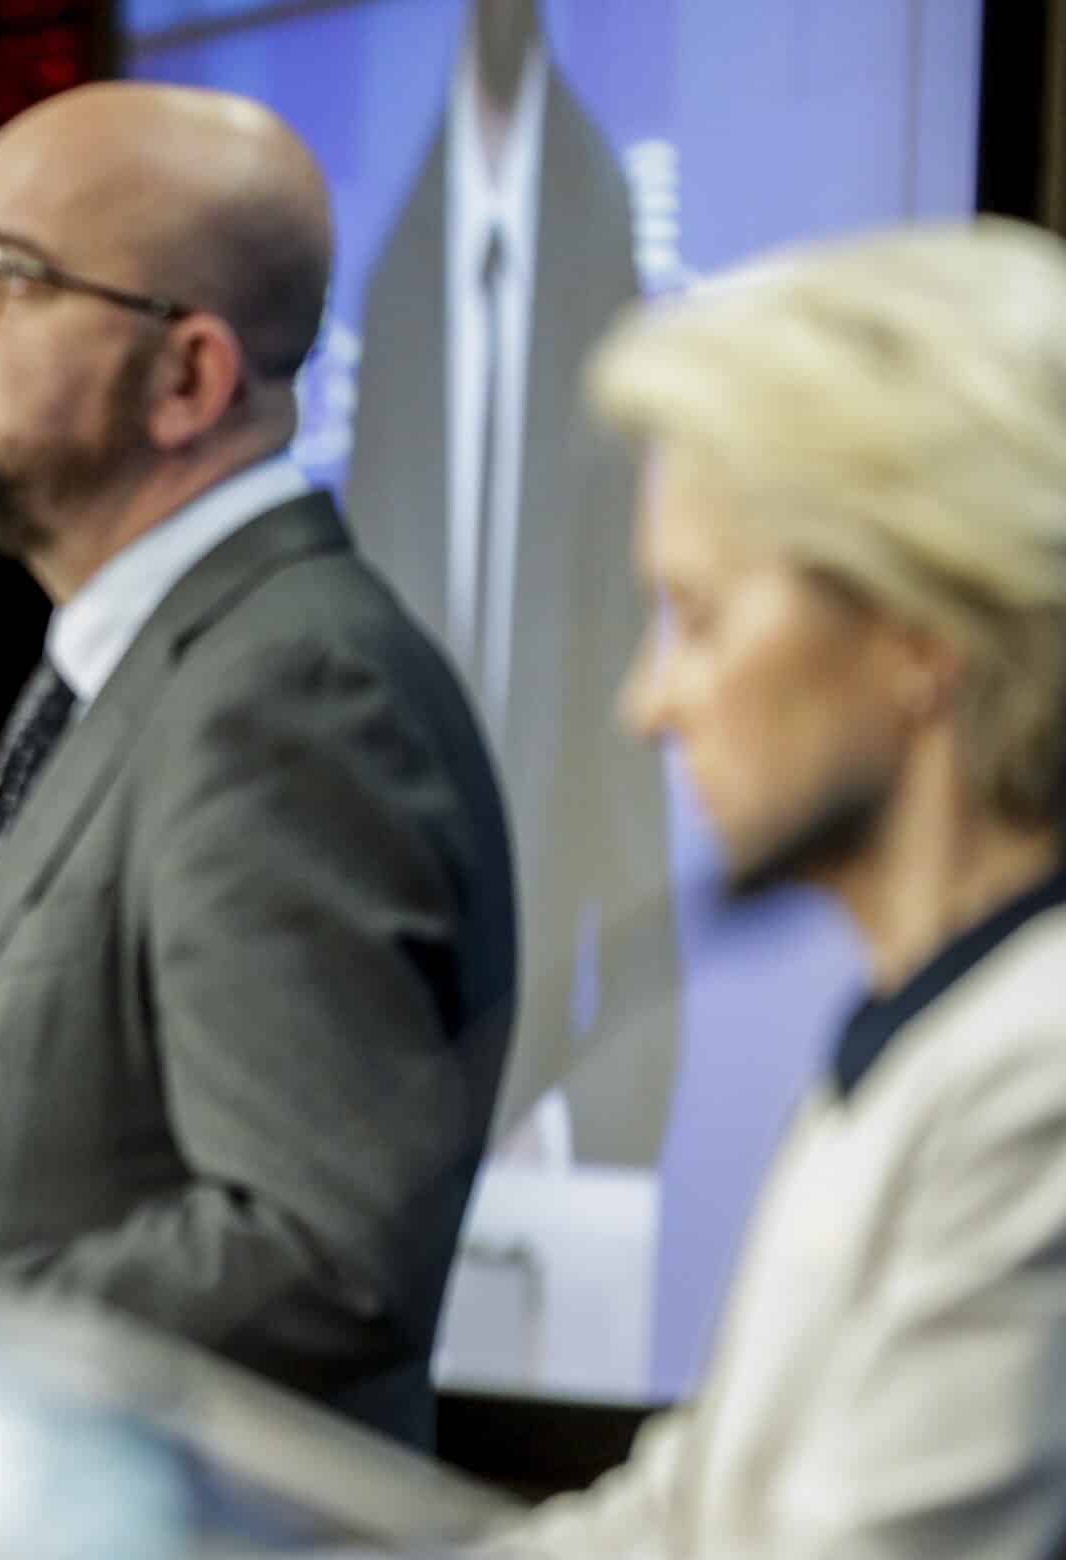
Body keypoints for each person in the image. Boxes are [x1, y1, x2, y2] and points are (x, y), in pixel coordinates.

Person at [0, 83, 518, 1449]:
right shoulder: (139, 669)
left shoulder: (294, 690)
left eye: (5, 279)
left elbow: (317, 1251)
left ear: (187, 378)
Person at [485, 220, 1066, 1558]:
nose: (648, 705)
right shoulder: (917, 1042)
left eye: (696, 617)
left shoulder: (1034, 1085)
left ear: (922, 632)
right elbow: (682, 1515)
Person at [345, 0, 678, 1168]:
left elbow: (627, 781)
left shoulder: (592, 218)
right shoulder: (401, 265)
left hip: (566, 983)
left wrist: (601, 1109)